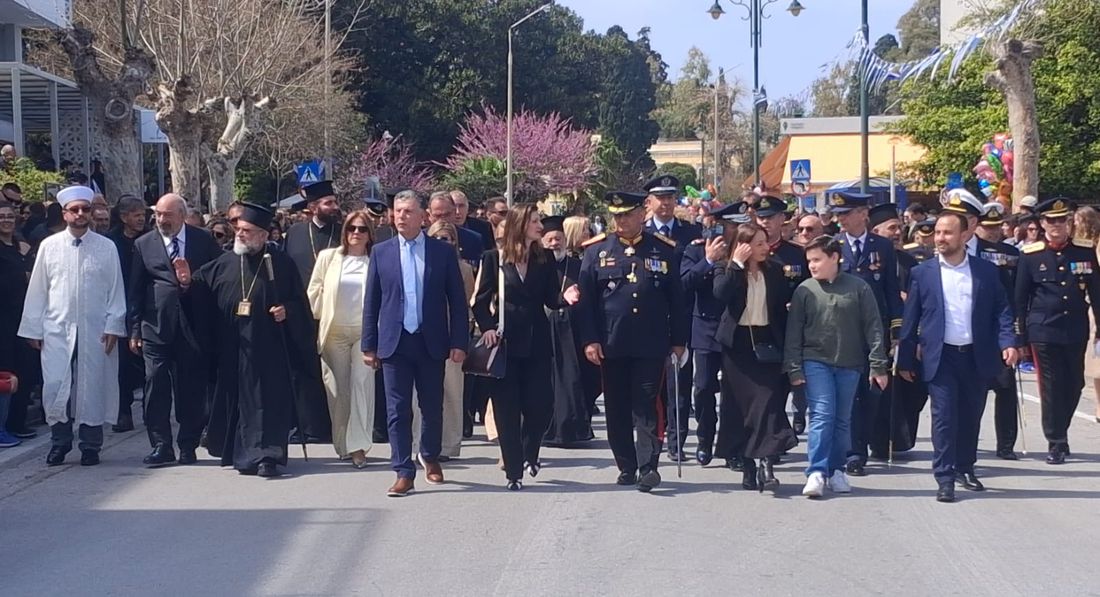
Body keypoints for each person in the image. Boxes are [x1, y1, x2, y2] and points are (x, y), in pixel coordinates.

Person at [190, 203, 318, 477]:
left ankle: (266, 456)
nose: (240, 234)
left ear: (263, 235)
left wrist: (287, 311)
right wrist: (185, 282)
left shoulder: (281, 263)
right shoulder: (225, 261)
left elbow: (300, 304)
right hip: (233, 346)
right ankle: (238, 453)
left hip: (268, 345)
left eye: (247, 231)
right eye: (238, 229)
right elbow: (199, 287)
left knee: (264, 401)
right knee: (236, 399)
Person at [898, 213, 1018, 503]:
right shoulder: (923, 272)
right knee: (944, 417)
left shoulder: (985, 271)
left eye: (947, 233)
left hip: (975, 355)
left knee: (970, 415)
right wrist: (905, 359)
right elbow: (910, 318)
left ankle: (965, 467)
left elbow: (1002, 310)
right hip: (941, 357)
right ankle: (944, 477)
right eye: (938, 232)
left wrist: (1008, 342)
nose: (940, 238)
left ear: (965, 236)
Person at [577, 190, 688, 492]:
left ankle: (648, 465)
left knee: (647, 403)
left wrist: (679, 340)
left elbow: (677, 300)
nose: (621, 221)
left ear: (642, 214)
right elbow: (586, 303)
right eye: (616, 216)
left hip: (651, 342)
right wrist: (590, 340)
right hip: (612, 342)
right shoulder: (596, 251)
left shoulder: (662, 249)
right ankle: (626, 465)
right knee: (616, 405)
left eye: (627, 214)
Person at [361, 190, 469, 497]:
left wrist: (459, 341)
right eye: (397, 211)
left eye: (408, 211)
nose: (401, 216)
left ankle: (430, 456)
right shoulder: (381, 252)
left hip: (430, 340)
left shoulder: (441, 253)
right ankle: (403, 470)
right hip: (394, 343)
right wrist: (369, 344)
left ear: (423, 216)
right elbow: (372, 302)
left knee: (431, 405)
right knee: (397, 409)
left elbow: (457, 302)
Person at [18, 186, 128, 466]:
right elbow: (38, 289)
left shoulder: (106, 247)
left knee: (93, 384)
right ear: (65, 213)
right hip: (57, 327)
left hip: (96, 328)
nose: (80, 214)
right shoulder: (49, 246)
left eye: (85, 209)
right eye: (75, 209)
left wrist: (114, 324)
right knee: (56, 385)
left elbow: (116, 289)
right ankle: (60, 442)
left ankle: (91, 445)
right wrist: (33, 328)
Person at [473, 205, 579, 490]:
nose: (540, 227)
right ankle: (514, 471)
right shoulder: (493, 258)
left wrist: (567, 296)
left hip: (537, 343)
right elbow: (480, 302)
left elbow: (550, 298)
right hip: (505, 344)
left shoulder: (543, 258)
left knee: (541, 406)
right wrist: (488, 328)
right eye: (534, 221)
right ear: (520, 224)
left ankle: (531, 452)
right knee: (507, 410)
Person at [784, 235, 888, 498]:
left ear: (834, 258)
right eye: (809, 260)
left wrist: (878, 365)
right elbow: (794, 332)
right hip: (815, 361)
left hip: (850, 363)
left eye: (817, 259)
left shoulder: (859, 287)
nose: (812, 265)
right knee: (822, 414)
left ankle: (837, 469)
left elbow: (873, 327)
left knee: (842, 419)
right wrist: (794, 368)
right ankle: (816, 471)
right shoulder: (805, 290)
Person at [129, 193, 222, 467]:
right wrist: (134, 329)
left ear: (182, 215)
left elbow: (218, 280)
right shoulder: (143, 244)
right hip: (155, 327)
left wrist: (189, 282)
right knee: (155, 383)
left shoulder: (203, 240)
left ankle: (188, 444)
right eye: (157, 214)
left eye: (167, 215)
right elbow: (135, 290)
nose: (161, 219)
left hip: (193, 328)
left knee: (191, 388)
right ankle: (161, 445)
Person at [1015, 197, 1100, 465]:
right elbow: (1020, 299)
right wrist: (1019, 335)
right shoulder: (1031, 255)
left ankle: (1060, 429)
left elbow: (1097, 294)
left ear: (1069, 222)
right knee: (1051, 386)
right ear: (1042, 223)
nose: (1056, 225)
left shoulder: (1084, 252)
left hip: (1074, 328)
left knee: (1075, 383)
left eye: (1061, 220)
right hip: (1043, 330)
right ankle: (1056, 440)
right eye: (1051, 221)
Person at [713, 223, 797, 490]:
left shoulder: (774, 270)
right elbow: (720, 294)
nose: (764, 248)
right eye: (758, 243)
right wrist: (737, 265)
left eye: (765, 242)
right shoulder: (726, 269)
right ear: (743, 246)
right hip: (737, 347)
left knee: (768, 404)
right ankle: (748, 466)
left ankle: (767, 464)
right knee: (742, 409)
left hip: (767, 344)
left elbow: (781, 308)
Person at [829, 191, 902, 476]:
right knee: (847, 393)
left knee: (871, 392)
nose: (841, 219)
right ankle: (853, 454)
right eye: (838, 215)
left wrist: (896, 329)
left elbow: (891, 290)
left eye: (846, 213)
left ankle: (866, 443)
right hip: (842, 330)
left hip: (874, 330)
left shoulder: (882, 246)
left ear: (863, 214)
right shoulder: (832, 244)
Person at [307, 210, 376, 468]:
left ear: (370, 234)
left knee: (361, 384)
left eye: (362, 229)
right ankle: (343, 444)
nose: (356, 233)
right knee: (338, 390)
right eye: (351, 228)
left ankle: (358, 445)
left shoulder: (375, 260)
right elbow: (313, 291)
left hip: (364, 332)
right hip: (334, 331)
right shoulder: (329, 257)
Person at [680, 202, 747, 466]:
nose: (737, 231)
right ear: (720, 226)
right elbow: (684, 284)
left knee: (735, 390)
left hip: (737, 327)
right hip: (706, 328)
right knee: (703, 387)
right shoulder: (697, 249)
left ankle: (732, 447)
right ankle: (705, 439)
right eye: (733, 226)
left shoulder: (746, 251)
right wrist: (708, 260)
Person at [642, 174, 700, 462]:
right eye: (660, 198)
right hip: (650, 316)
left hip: (682, 313)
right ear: (649, 202)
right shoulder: (642, 234)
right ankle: (653, 437)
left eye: (670, 197)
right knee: (652, 383)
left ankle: (677, 441)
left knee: (680, 383)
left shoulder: (691, 232)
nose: (666, 203)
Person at [277, 180, 337, 443]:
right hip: (302, 312)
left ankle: (337, 425)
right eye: (328, 203)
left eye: (335, 202)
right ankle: (310, 427)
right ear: (313, 207)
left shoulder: (344, 231)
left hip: (336, 312)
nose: (334, 207)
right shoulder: (295, 233)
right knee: (304, 371)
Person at [410, 220, 473, 460]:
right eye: (435, 237)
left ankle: (449, 445)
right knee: (421, 394)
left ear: (454, 242)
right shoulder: (418, 263)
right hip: (424, 335)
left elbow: (465, 305)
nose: (440, 242)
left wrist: (461, 339)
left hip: (451, 334)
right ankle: (420, 443)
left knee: (452, 391)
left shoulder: (464, 268)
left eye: (445, 238)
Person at [971, 202, 1025, 459]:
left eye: (996, 227)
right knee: (976, 392)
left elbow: (1017, 296)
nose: (992, 232)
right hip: (976, 333)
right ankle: (969, 442)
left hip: (1002, 331)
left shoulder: (1010, 253)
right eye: (987, 227)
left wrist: (1017, 335)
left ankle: (1006, 444)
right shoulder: (969, 252)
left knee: (1005, 388)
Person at [756, 195, 810, 434]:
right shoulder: (750, 251)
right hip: (761, 325)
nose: (765, 222)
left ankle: (797, 412)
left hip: (790, 324)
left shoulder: (796, 254)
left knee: (791, 377)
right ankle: (774, 431)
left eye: (770, 218)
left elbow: (808, 287)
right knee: (767, 384)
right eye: (761, 218)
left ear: (781, 219)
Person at [540, 215, 593, 446]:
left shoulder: (577, 266)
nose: (554, 244)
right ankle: (547, 429)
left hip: (571, 330)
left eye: (558, 239)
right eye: (550, 240)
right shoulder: (538, 265)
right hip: (544, 327)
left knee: (572, 380)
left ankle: (572, 430)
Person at [107, 194, 148, 433]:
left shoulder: (150, 238)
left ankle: (150, 410)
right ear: (124, 217)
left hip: (145, 307)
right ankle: (123, 411)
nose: (141, 219)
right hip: (119, 306)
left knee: (146, 364)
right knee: (121, 365)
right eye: (136, 215)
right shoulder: (110, 242)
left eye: (143, 215)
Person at [0, 201, 37, 439]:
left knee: (26, 369)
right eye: (1, 216)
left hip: (24, 317)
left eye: (10, 216)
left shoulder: (21, 247)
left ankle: (17, 422)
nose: (6, 220)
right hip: (3, 318)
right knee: (6, 371)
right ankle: (3, 426)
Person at [1075, 207, 1100, 423]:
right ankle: (1099, 404)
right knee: (1097, 359)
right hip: (1091, 305)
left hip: (1094, 304)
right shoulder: (1079, 246)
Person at [427, 191, 483, 268]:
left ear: (454, 212)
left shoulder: (473, 239)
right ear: (429, 215)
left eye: (447, 214)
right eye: (438, 216)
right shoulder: (420, 239)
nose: (443, 220)